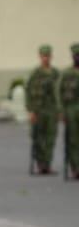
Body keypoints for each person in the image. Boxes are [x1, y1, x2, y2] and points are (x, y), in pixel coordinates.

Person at [26, 44, 61, 175]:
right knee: (38, 137)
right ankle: (40, 163)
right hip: (38, 110)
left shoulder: (56, 73)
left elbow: (59, 93)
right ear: (40, 56)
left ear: (51, 56)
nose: (46, 58)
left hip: (51, 110)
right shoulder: (36, 73)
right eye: (43, 55)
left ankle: (47, 164)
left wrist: (60, 111)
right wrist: (31, 111)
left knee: (51, 138)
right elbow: (28, 91)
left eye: (47, 55)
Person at [60, 43, 79, 181]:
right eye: (76, 55)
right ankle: (75, 167)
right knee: (72, 140)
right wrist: (62, 111)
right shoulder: (67, 74)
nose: (77, 57)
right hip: (71, 110)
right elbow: (59, 92)